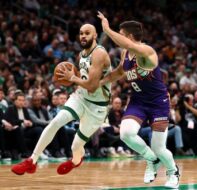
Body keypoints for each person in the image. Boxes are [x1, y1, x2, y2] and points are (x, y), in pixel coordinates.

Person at [11, 23, 111, 175]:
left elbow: (92, 85)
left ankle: (75, 161)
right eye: (81, 33)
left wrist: (72, 78)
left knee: (76, 146)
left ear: (95, 35)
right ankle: (32, 160)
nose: (83, 36)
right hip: (81, 97)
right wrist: (73, 79)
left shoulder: (99, 54)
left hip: (97, 107)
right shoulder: (81, 54)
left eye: (87, 33)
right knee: (55, 122)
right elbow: (83, 80)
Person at [97, 12, 179, 188]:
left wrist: (107, 29)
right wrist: (99, 82)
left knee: (159, 147)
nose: (119, 38)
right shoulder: (126, 53)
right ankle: (152, 160)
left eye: (122, 34)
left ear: (129, 36)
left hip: (158, 102)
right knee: (126, 133)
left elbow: (125, 43)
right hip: (138, 100)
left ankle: (173, 172)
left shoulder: (147, 52)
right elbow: (120, 72)